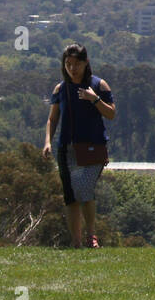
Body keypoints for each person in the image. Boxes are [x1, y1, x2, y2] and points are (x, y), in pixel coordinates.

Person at [43, 43, 115, 248]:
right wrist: (48, 141)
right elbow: (53, 119)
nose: (72, 68)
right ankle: (76, 241)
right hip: (67, 149)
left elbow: (111, 113)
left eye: (76, 64)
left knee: (84, 189)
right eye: (68, 64)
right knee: (71, 196)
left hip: (93, 149)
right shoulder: (61, 89)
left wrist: (95, 99)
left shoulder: (99, 85)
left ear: (86, 63)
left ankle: (91, 235)